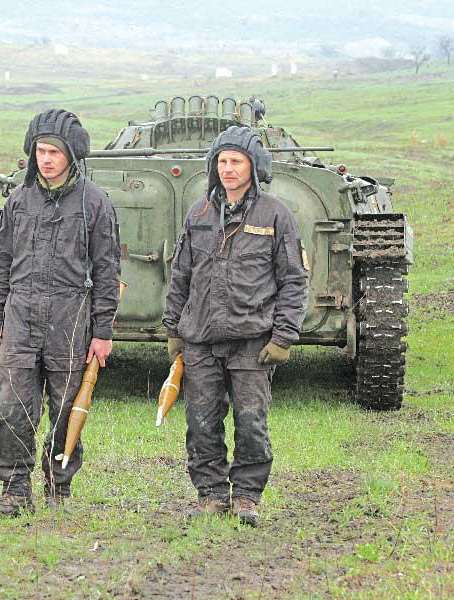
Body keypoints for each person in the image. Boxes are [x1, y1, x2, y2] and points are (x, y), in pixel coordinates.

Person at [162, 126, 308, 526]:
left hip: (251, 341)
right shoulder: (200, 213)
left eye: (236, 162)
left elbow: (293, 279)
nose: (228, 169)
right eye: (222, 162)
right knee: (201, 421)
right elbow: (181, 275)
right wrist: (174, 328)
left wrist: (283, 337)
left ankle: (246, 497)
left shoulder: (275, 214)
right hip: (201, 339)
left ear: (253, 167)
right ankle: (211, 494)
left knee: (251, 423)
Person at [0, 109, 121, 517]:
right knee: (14, 407)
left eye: (54, 152)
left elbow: (108, 268)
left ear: (71, 156)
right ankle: (13, 488)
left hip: (70, 315)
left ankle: (59, 483)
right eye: (40, 151)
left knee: (65, 407)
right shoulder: (18, 200)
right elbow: (1, 261)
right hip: (20, 315)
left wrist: (102, 331)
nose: (46, 159)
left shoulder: (95, 204)